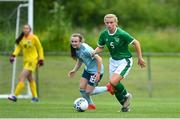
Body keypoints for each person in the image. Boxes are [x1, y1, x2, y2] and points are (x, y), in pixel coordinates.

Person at [92, 14, 146, 112]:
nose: (109, 25)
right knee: (113, 86)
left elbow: (136, 43)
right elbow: (100, 47)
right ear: (105, 23)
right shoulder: (104, 34)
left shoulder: (121, 33)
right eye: (107, 23)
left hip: (124, 61)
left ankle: (126, 95)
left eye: (111, 22)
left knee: (113, 82)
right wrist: (94, 52)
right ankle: (125, 107)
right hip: (113, 61)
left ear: (116, 23)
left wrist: (140, 58)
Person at [68, 33, 112, 110]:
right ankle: (90, 105)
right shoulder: (77, 50)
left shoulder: (86, 49)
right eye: (72, 41)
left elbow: (99, 59)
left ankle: (108, 88)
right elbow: (80, 60)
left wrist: (98, 73)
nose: (74, 43)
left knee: (88, 92)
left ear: (80, 42)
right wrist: (74, 70)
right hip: (87, 70)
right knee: (82, 89)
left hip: (96, 71)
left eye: (76, 41)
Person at [8, 24, 44, 102]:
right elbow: (18, 48)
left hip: (32, 61)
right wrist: (13, 55)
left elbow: (40, 48)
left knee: (21, 77)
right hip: (26, 62)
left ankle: (14, 96)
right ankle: (35, 97)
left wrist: (41, 59)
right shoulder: (22, 39)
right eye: (24, 28)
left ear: (30, 30)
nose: (25, 29)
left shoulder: (34, 38)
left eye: (27, 28)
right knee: (30, 79)